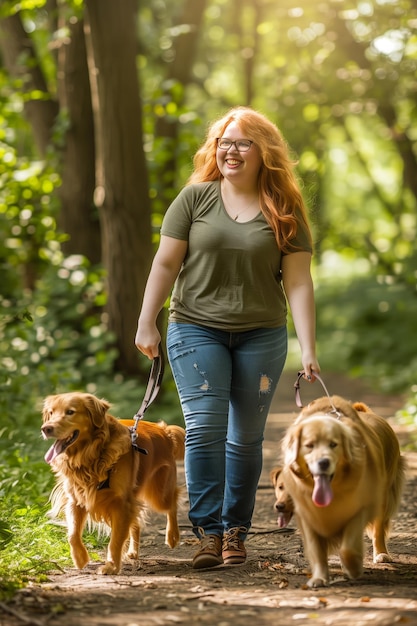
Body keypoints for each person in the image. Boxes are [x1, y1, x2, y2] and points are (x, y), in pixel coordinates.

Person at [135, 106, 320, 569]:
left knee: (245, 438)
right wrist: (146, 320)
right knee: (204, 430)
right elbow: (164, 264)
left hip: (262, 334)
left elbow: (298, 282)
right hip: (195, 327)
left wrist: (309, 347)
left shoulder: (284, 208)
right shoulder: (195, 198)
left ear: (264, 151)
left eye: (242, 142)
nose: (231, 150)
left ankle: (236, 530)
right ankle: (208, 534)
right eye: (224, 141)